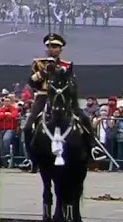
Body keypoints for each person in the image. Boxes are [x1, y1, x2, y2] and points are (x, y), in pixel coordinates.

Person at [21, 32, 101, 166]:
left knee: (84, 119)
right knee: (28, 126)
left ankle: (93, 148)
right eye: (50, 46)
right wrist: (44, 72)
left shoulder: (67, 64)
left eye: (55, 46)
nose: (52, 49)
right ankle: (30, 158)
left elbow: (72, 83)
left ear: (60, 49)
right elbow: (31, 82)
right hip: (43, 96)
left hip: (64, 97)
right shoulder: (38, 63)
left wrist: (59, 71)